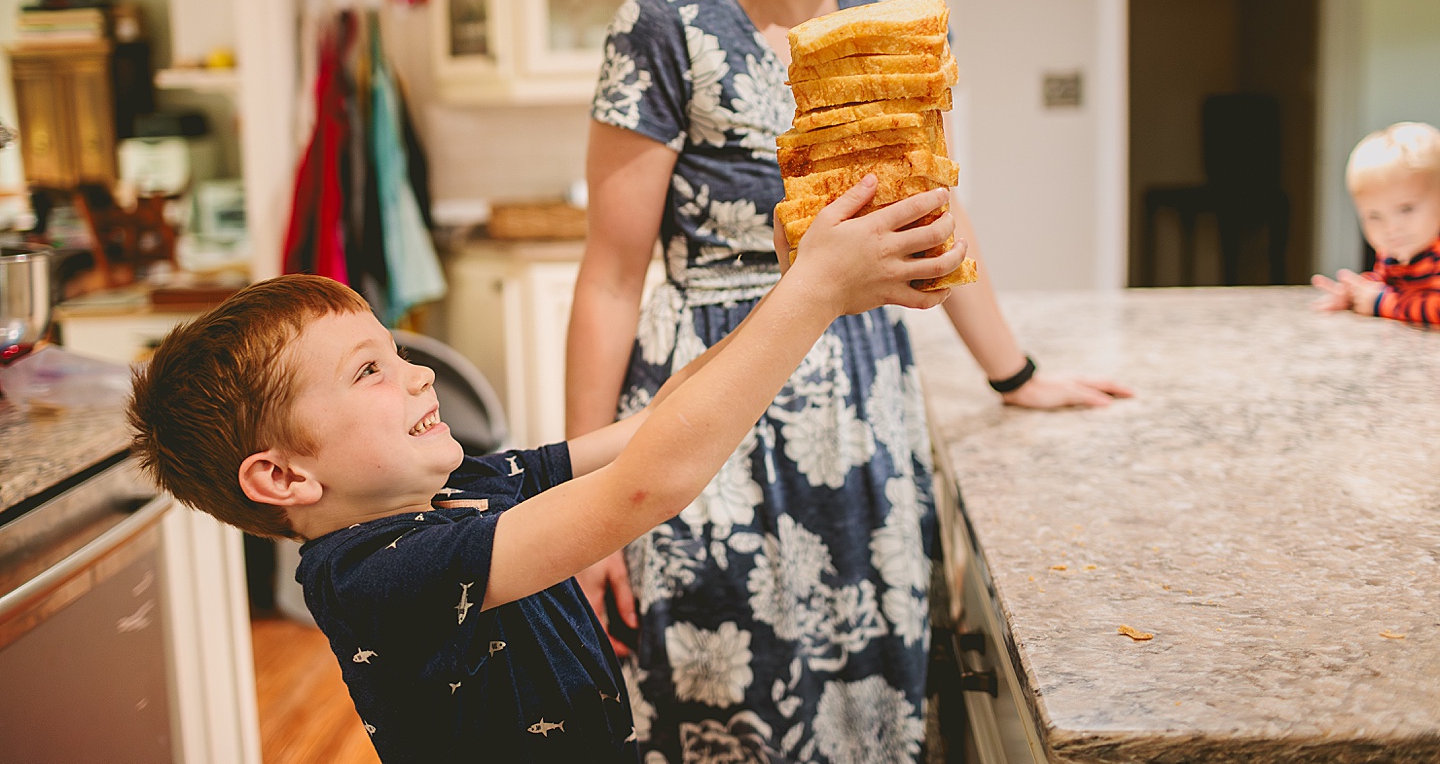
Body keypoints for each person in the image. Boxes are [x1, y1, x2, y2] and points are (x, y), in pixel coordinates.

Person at [566, 0, 1133, 760]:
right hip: (713, 413)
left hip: (868, 414)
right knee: (725, 710)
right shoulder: (663, 25)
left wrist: (1016, 374)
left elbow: (928, 212)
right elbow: (611, 279)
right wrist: (584, 516)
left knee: (870, 710)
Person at [127, 180, 966, 764]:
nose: (419, 373)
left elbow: (648, 429)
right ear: (283, 479)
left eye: (395, 352)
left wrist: (797, 296)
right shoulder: (373, 575)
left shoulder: (458, 490)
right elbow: (648, 483)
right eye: (368, 371)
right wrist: (814, 293)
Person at [1312, 120, 1440, 326]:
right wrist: (1355, 293)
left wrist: (1380, 302)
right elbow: (1386, 284)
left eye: (1406, 209)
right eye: (1374, 216)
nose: (1390, 228)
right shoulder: (1394, 252)